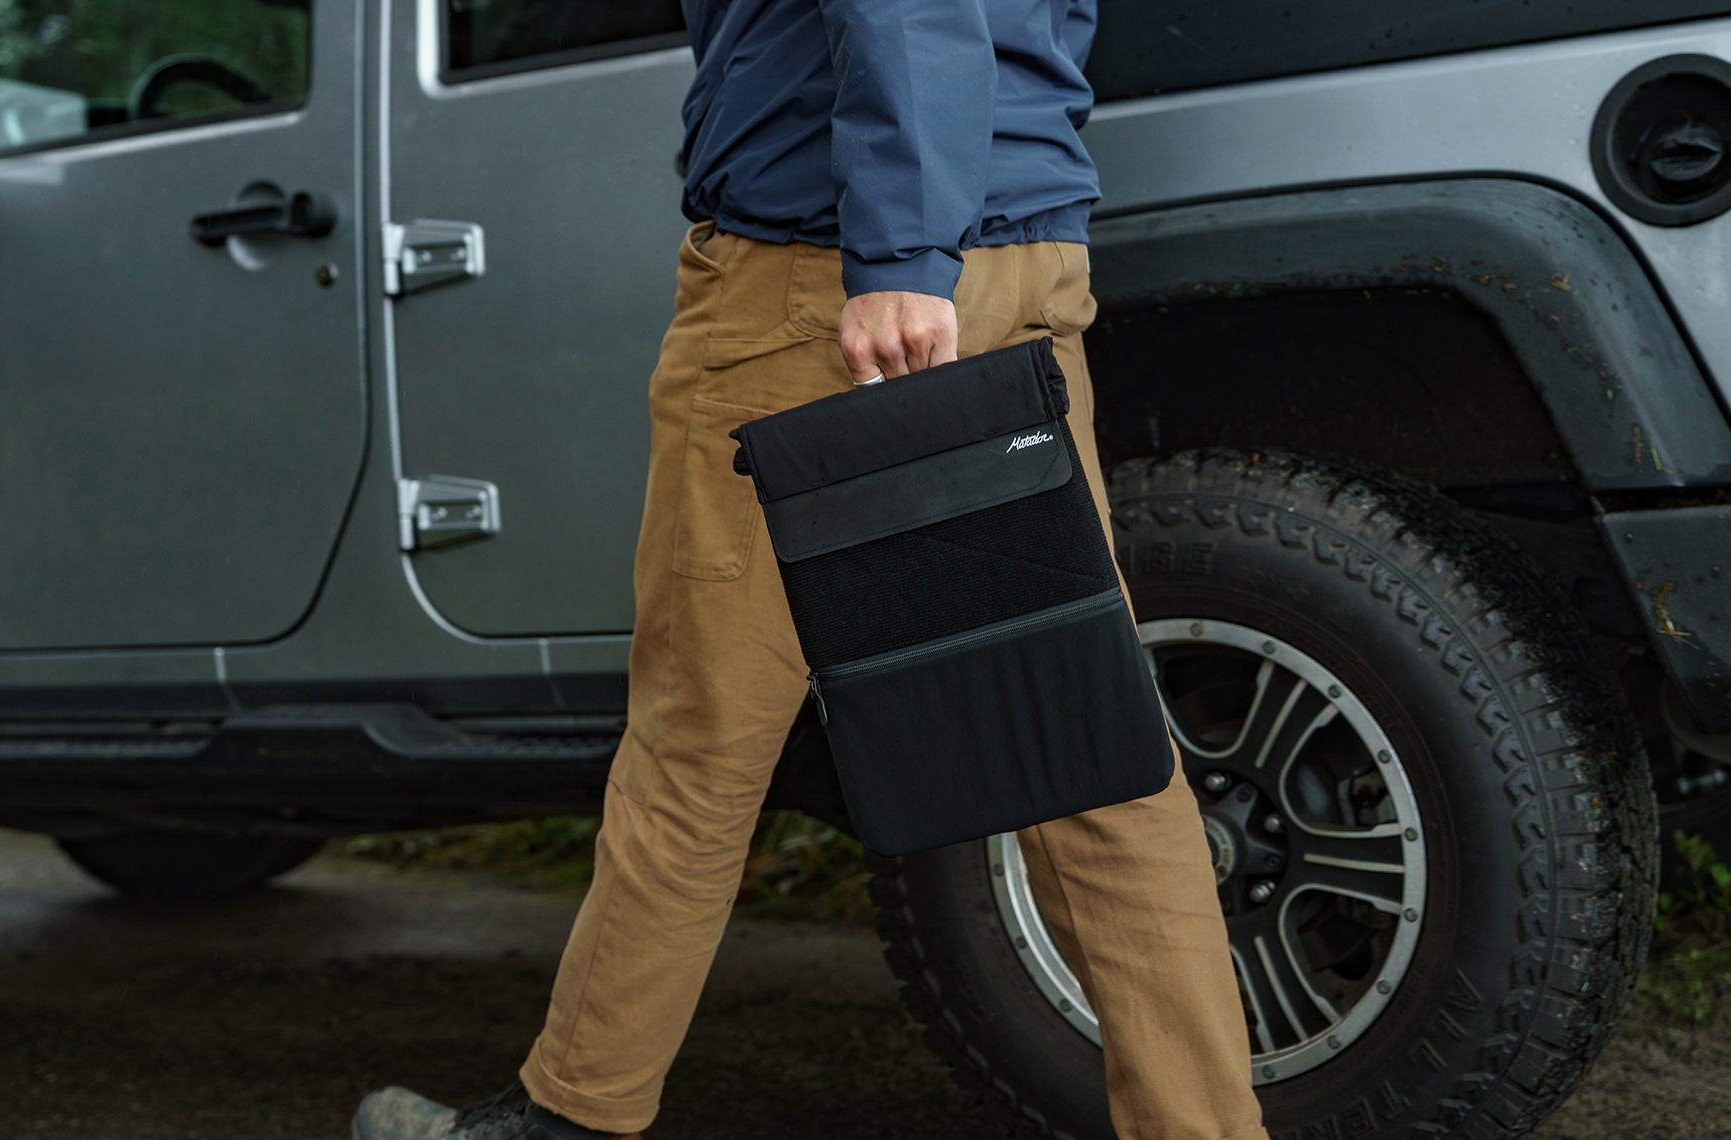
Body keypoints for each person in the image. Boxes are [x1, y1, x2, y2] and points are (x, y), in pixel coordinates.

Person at [351, 1, 1269, 1138]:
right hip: (1019, 253)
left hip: (828, 281)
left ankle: (573, 1116)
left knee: (700, 739)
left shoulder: (882, 254)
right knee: (1079, 744)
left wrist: (901, 251)